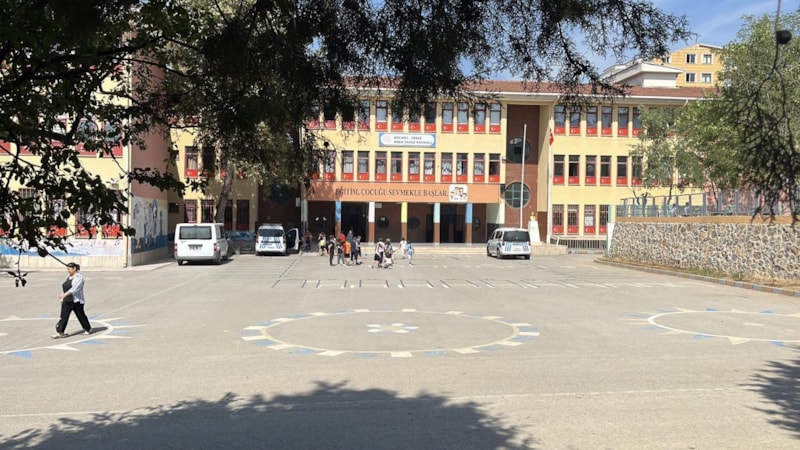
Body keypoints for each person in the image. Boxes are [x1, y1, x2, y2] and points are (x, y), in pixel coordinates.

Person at [52, 262, 92, 338]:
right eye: (67, 269)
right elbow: (66, 287)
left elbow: (74, 289)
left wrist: (64, 295)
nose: (68, 271)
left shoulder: (79, 278)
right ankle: (60, 332)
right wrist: (62, 295)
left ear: (74, 268)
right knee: (64, 316)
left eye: (69, 269)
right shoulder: (69, 277)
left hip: (76, 301)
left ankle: (88, 329)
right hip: (67, 300)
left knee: (80, 315)